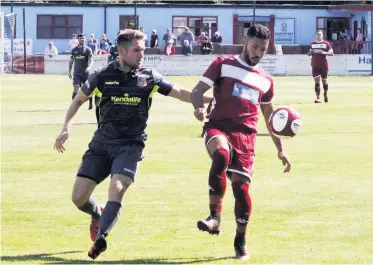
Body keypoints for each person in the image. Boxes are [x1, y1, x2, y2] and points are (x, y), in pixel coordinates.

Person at [54, 29, 212, 260]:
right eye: (137, 50)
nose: (142, 54)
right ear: (122, 51)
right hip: (101, 144)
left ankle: (101, 238)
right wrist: (65, 128)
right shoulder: (102, 75)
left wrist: (213, 99)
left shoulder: (149, 76)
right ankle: (98, 214)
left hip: (131, 145)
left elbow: (180, 92)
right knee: (78, 197)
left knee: (117, 187)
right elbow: (78, 100)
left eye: (143, 49)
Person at [190, 24, 292, 261]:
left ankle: (240, 240)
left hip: (247, 137)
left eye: (263, 49)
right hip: (218, 127)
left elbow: (270, 118)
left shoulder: (266, 80)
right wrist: (198, 107)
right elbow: (197, 91)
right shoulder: (223, 64)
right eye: (255, 46)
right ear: (244, 41)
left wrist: (281, 149)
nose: (258, 52)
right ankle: (214, 217)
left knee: (241, 188)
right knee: (222, 155)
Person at [69, 33, 94, 109]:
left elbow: (91, 59)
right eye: (80, 38)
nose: (82, 39)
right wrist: (69, 71)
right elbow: (71, 61)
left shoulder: (88, 49)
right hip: (77, 73)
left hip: (86, 73)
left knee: (88, 89)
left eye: (83, 38)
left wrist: (89, 67)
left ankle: (90, 103)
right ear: (78, 39)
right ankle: (74, 105)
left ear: (84, 39)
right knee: (76, 87)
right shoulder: (74, 50)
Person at [308, 30, 334, 103]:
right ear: (315, 35)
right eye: (317, 34)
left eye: (320, 34)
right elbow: (309, 53)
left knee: (324, 81)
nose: (319, 36)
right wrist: (310, 53)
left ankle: (325, 93)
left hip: (323, 65)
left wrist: (323, 52)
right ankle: (318, 97)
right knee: (316, 82)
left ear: (322, 35)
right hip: (315, 65)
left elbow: (332, 53)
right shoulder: (313, 43)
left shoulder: (326, 43)